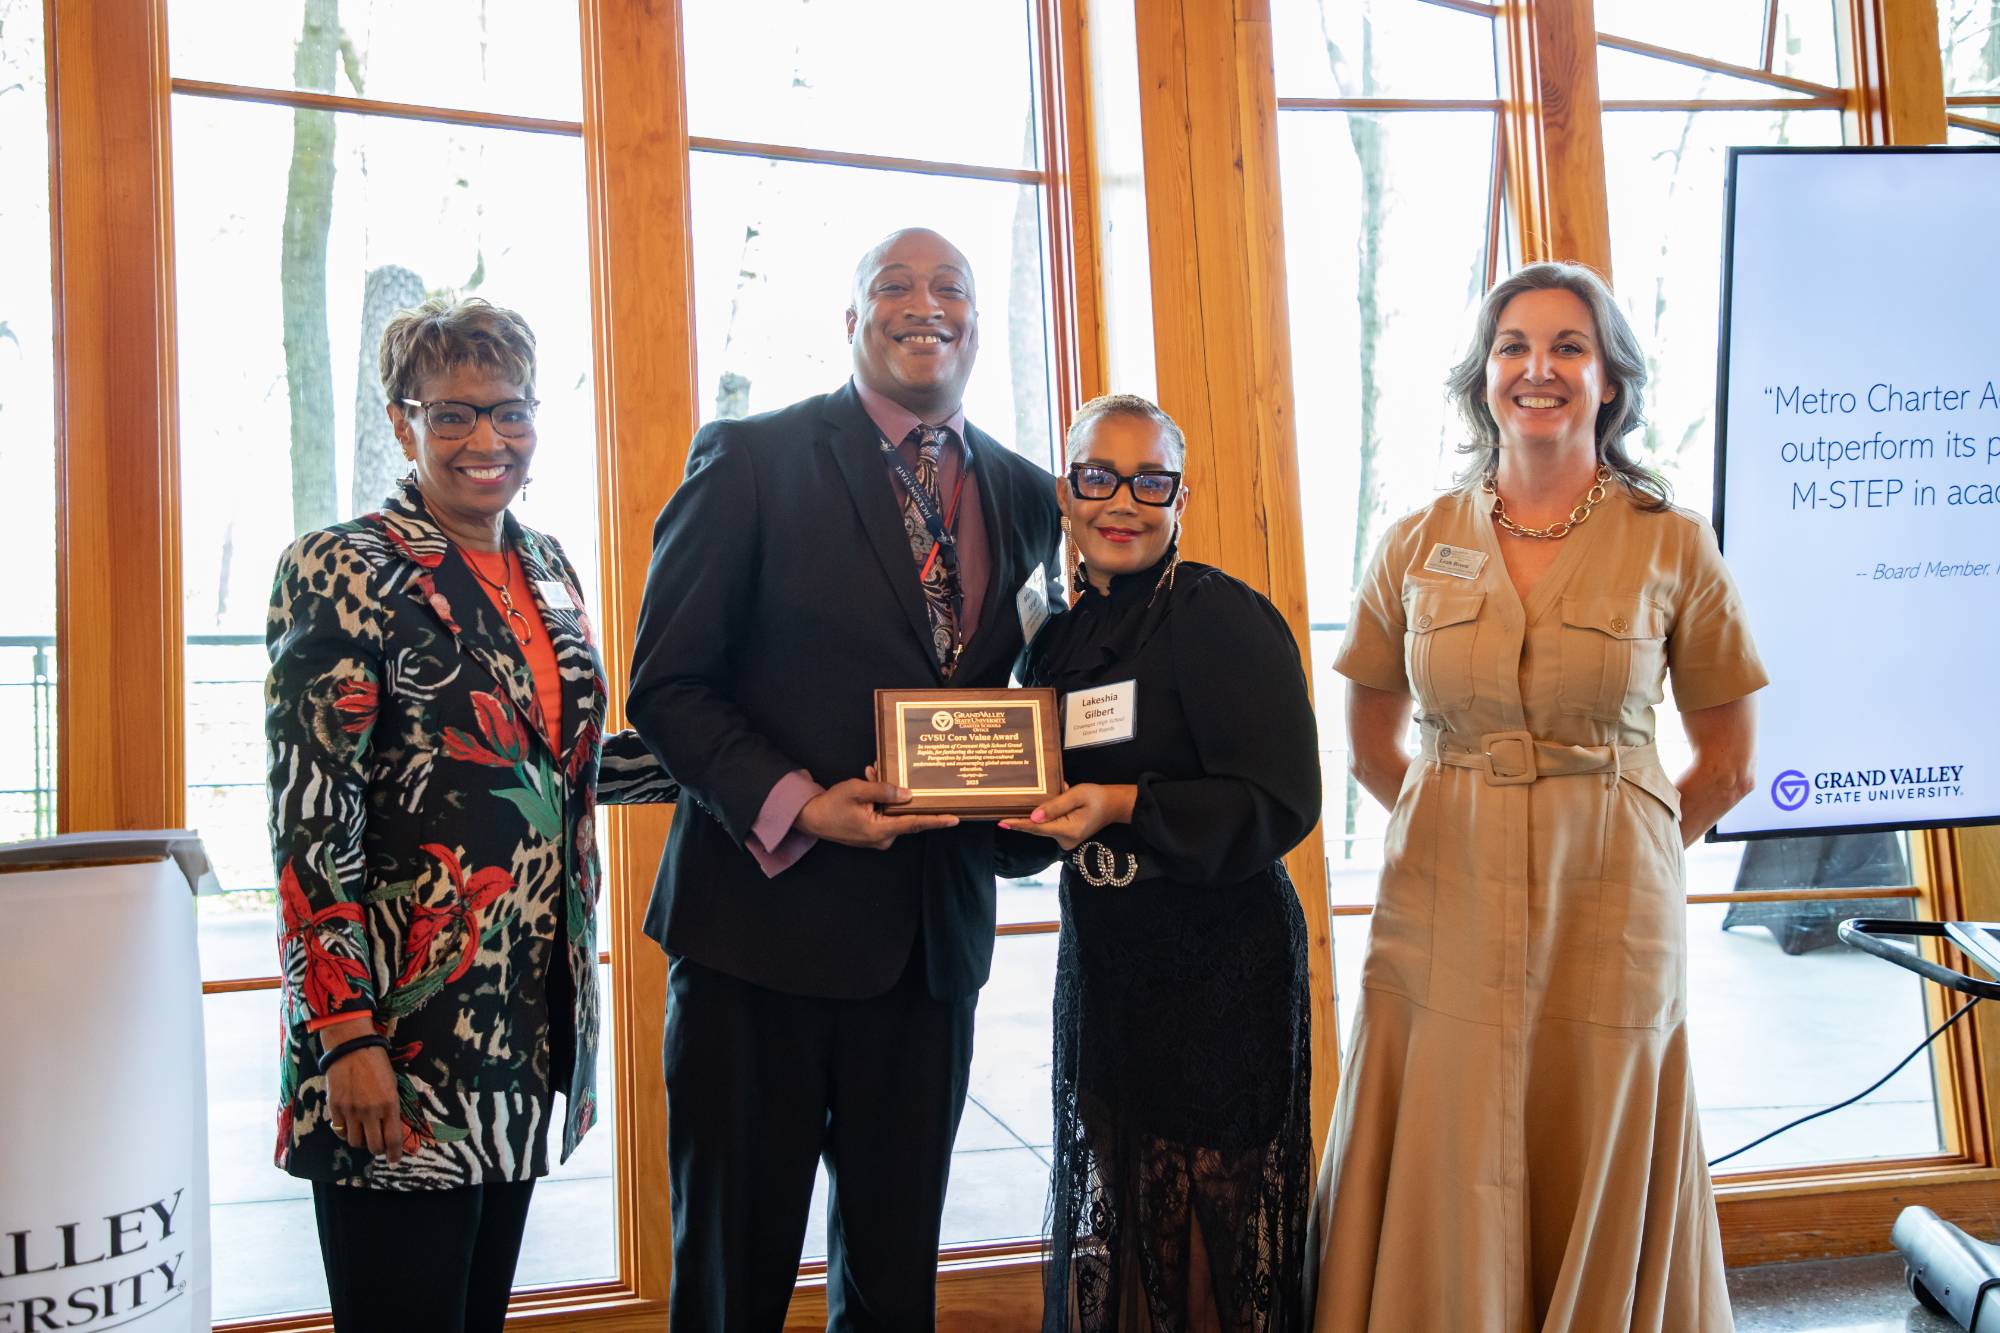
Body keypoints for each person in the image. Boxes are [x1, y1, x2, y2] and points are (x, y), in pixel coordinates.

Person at [1305, 261, 1766, 1332]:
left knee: (1596, 1116)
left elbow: (1728, 761)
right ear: (1483, 376)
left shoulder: (1672, 541)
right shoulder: (1414, 539)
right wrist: (1461, 816)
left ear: (1610, 379)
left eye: (1568, 346)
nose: (1538, 368)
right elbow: (1368, 739)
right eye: (1513, 346)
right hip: (1441, 894)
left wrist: (1624, 837)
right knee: (1444, 1124)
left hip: (1614, 898)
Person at [626, 227, 1066, 1331]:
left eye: (951, 287)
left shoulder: (1027, 495)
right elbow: (667, 685)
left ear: (975, 320)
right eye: (895, 285)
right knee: (732, 1283)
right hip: (758, 946)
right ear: (853, 317)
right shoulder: (750, 459)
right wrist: (801, 805)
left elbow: (1027, 693)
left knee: (893, 1286)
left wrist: (1037, 812)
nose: (926, 305)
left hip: (929, 955)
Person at [265, 296, 676, 1333]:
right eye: (450, 414)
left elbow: (557, 766)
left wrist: (750, 761)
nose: (485, 439)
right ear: (401, 423)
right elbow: (312, 820)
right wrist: (343, 1035)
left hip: (523, 1027)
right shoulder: (342, 567)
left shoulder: (546, 566)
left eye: (509, 411)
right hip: (397, 1034)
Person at [997, 394, 1321, 1332]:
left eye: (1150, 482)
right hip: (1110, 964)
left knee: (1216, 1244)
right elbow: (1031, 814)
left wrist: (1125, 804)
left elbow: (1282, 799)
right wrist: (960, 806)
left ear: (1182, 496)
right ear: (1067, 492)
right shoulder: (1054, 642)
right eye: (1099, 477)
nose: (1122, 502)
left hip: (1220, 967)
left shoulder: (1221, 617)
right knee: (1134, 1227)